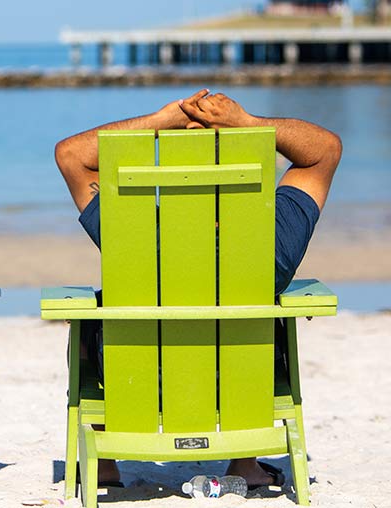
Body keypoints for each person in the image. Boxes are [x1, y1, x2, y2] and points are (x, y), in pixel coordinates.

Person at [53, 89, 342, 490]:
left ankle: (103, 465)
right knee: (259, 316)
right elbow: (326, 149)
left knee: (90, 317)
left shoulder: (136, 232)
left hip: (137, 384)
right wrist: (248, 124)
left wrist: (165, 120)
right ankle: (244, 462)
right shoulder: (273, 238)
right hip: (240, 385)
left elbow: (70, 154)